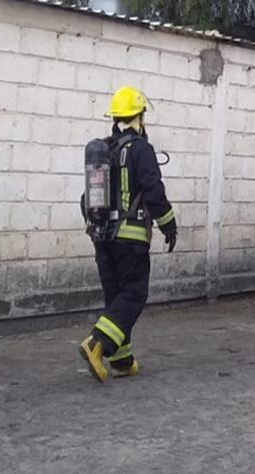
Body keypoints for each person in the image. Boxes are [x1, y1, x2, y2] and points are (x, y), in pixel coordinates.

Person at [79, 86, 177, 382]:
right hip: (130, 239)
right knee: (134, 294)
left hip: (102, 237)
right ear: (139, 116)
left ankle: (121, 361)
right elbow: (153, 190)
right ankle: (96, 343)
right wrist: (168, 224)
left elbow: (86, 200)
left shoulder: (104, 151)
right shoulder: (140, 150)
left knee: (116, 300)